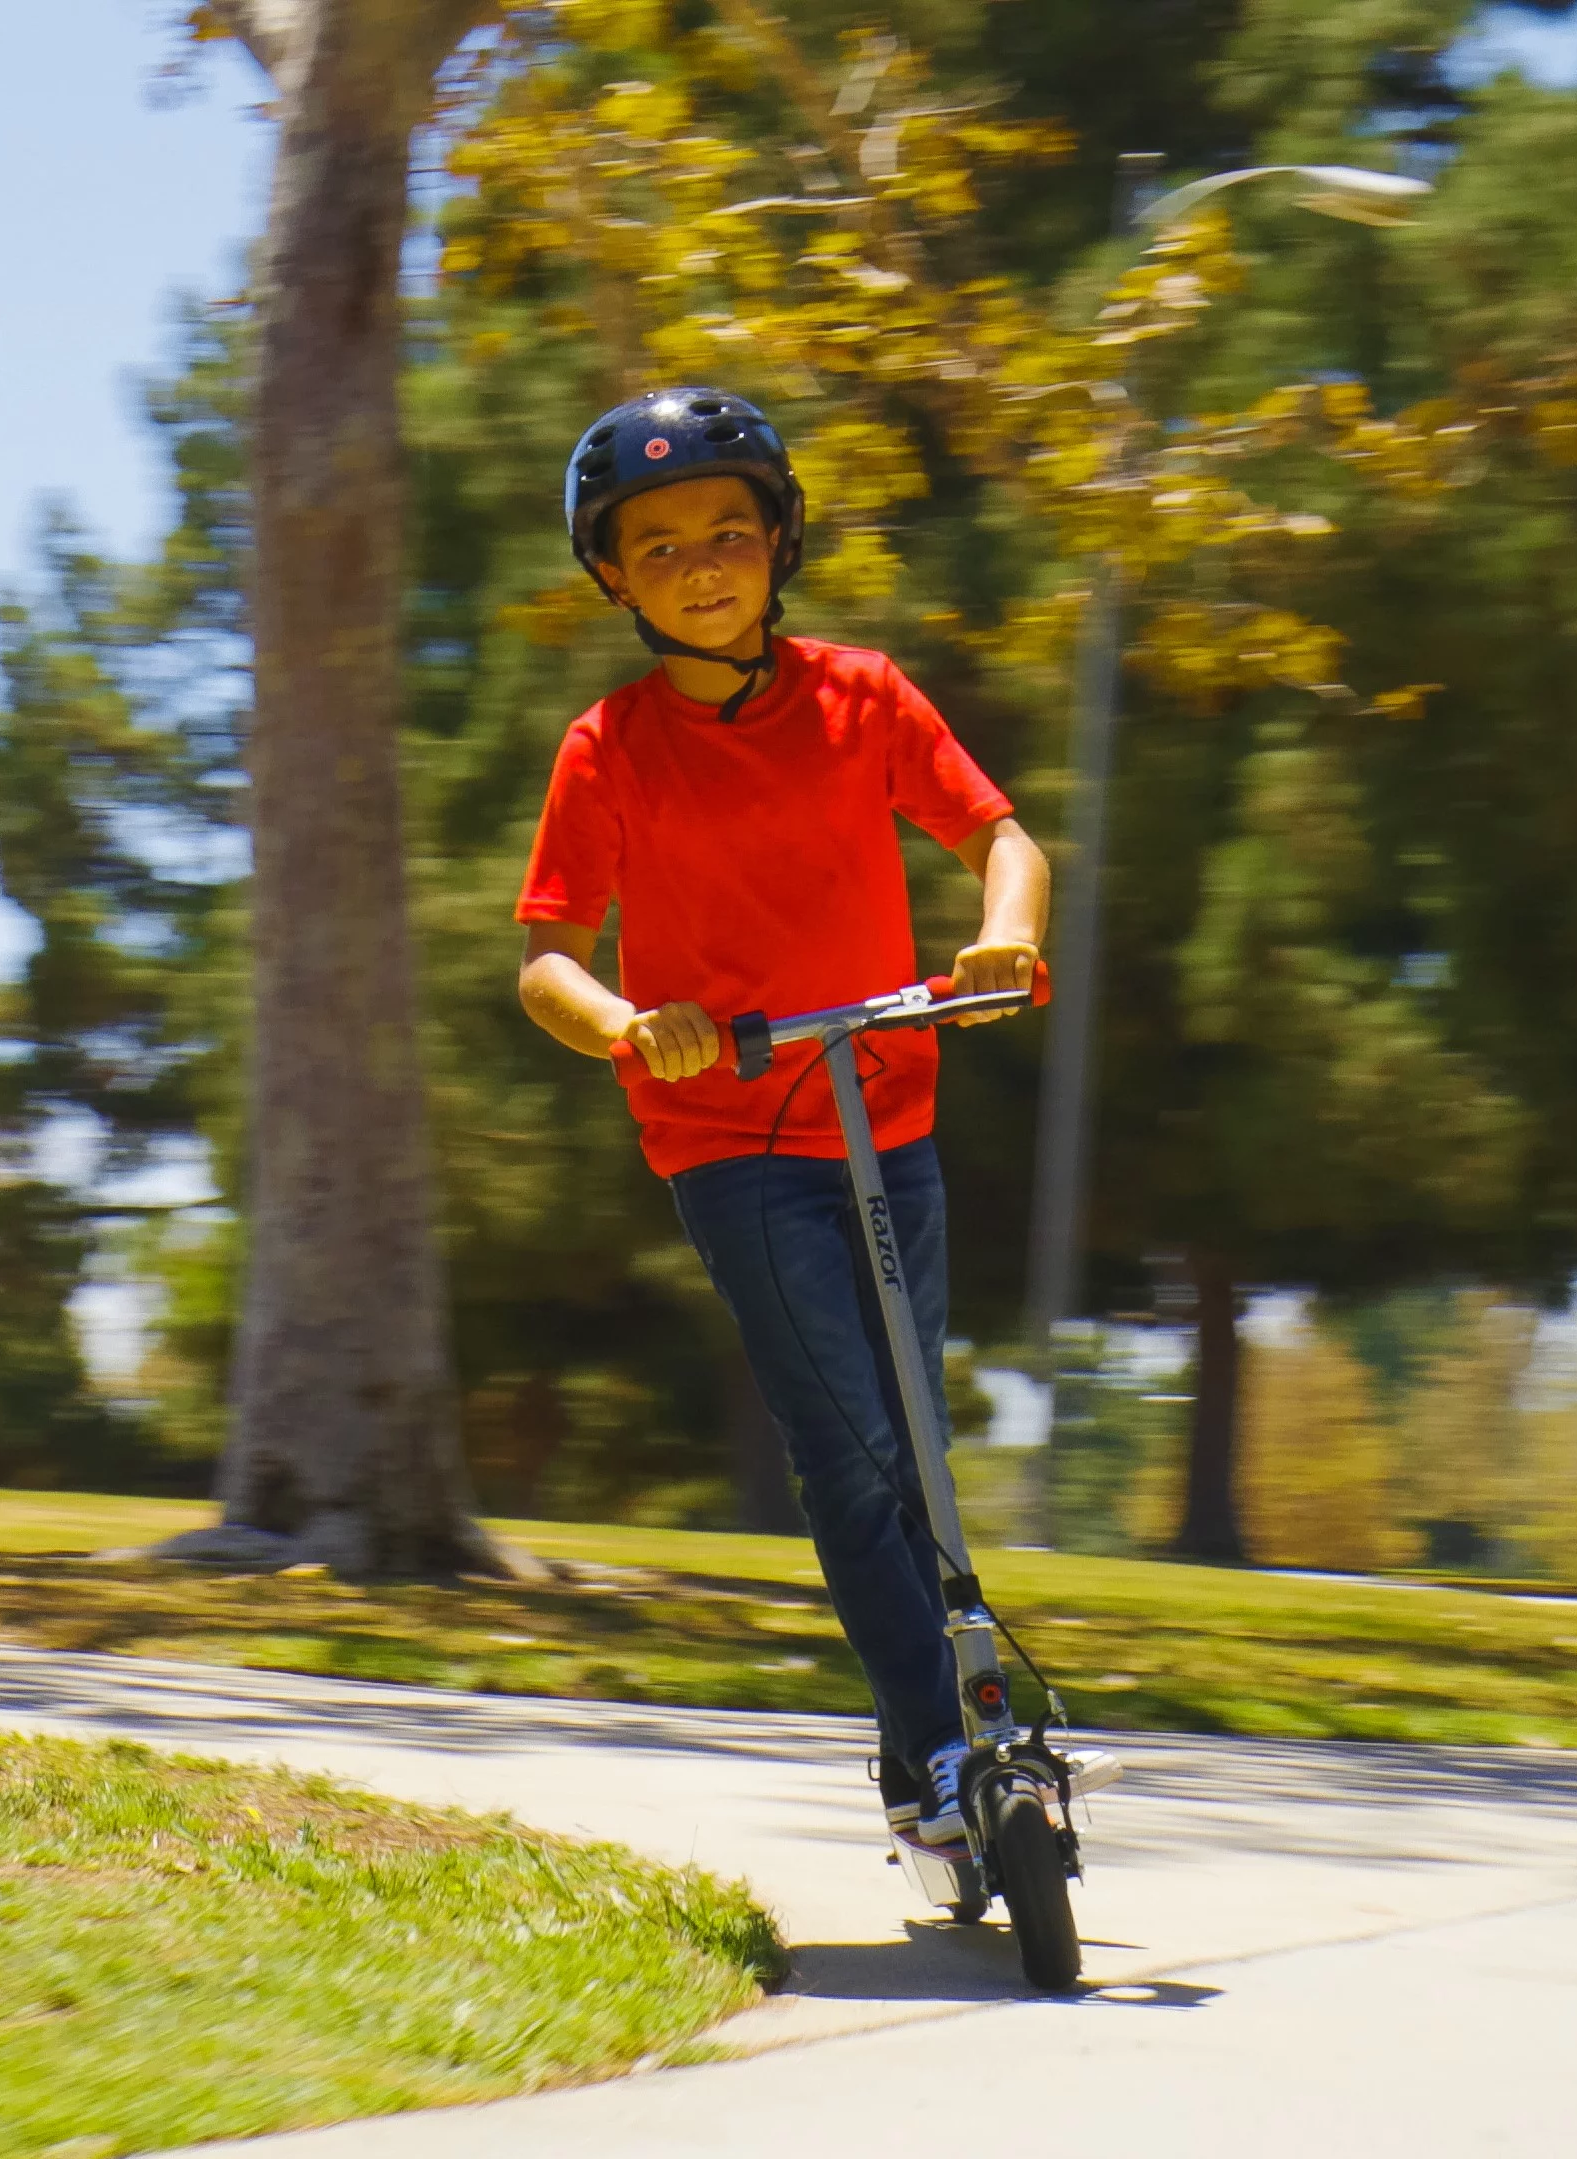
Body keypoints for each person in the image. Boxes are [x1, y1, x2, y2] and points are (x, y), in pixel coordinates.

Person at [514, 387, 1049, 1845]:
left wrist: (1001, 937)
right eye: (662, 543)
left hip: (887, 1107)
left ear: (781, 540)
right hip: (733, 1142)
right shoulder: (610, 746)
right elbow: (550, 956)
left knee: (914, 1433)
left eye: (730, 532)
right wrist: (632, 1025)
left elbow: (997, 833)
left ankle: (925, 1745)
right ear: (613, 575)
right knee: (848, 1438)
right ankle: (946, 1749)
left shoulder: (864, 696)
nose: (702, 564)